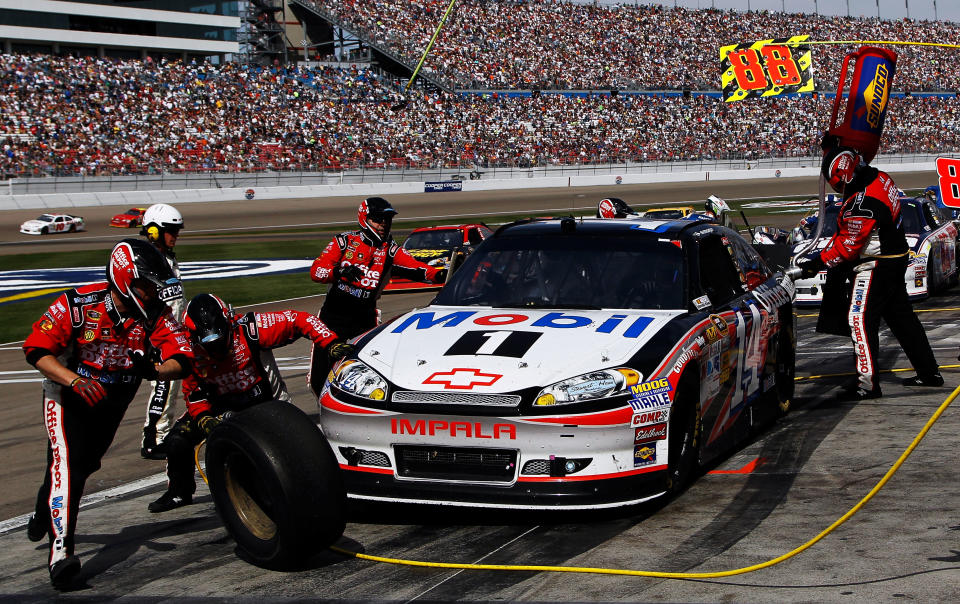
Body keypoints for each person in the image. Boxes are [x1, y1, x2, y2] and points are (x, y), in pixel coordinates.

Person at [23, 239, 193, 589]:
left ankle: (46, 505)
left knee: (85, 465)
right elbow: (36, 350)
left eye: (153, 285)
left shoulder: (156, 315)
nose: (151, 291)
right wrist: (73, 381)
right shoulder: (77, 303)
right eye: (145, 283)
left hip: (114, 400)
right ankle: (62, 553)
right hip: (65, 395)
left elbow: (184, 357)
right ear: (124, 275)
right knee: (67, 464)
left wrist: (157, 371)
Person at [148, 293, 350, 513]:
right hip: (219, 406)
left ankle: (322, 483)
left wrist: (330, 343)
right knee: (178, 439)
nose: (215, 349)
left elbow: (300, 319)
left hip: (266, 403)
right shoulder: (188, 351)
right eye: (208, 343)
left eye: (219, 340)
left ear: (229, 322)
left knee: (294, 453)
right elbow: (194, 394)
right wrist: (203, 417)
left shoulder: (252, 328)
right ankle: (179, 491)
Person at [797, 142, 943, 400]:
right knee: (903, 320)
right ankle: (929, 372)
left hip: (875, 265)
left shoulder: (861, 205)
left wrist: (816, 263)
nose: (838, 189)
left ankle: (867, 384)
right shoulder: (881, 177)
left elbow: (846, 248)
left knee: (859, 320)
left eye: (838, 183)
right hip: (897, 259)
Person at [306, 197, 447, 398]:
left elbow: (417, 267)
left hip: (364, 321)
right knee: (318, 378)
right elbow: (316, 271)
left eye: (387, 219)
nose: (383, 224)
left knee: (365, 374)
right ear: (364, 218)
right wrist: (338, 272)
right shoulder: (344, 241)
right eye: (378, 219)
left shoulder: (390, 249)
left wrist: (440, 274)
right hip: (332, 318)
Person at [139, 203, 186, 460]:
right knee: (163, 386)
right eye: (171, 231)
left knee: (170, 386)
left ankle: (161, 434)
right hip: (158, 337)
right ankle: (153, 439)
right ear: (155, 231)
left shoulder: (167, 257)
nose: (176, 236)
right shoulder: (147, 260)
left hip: (172, 332)